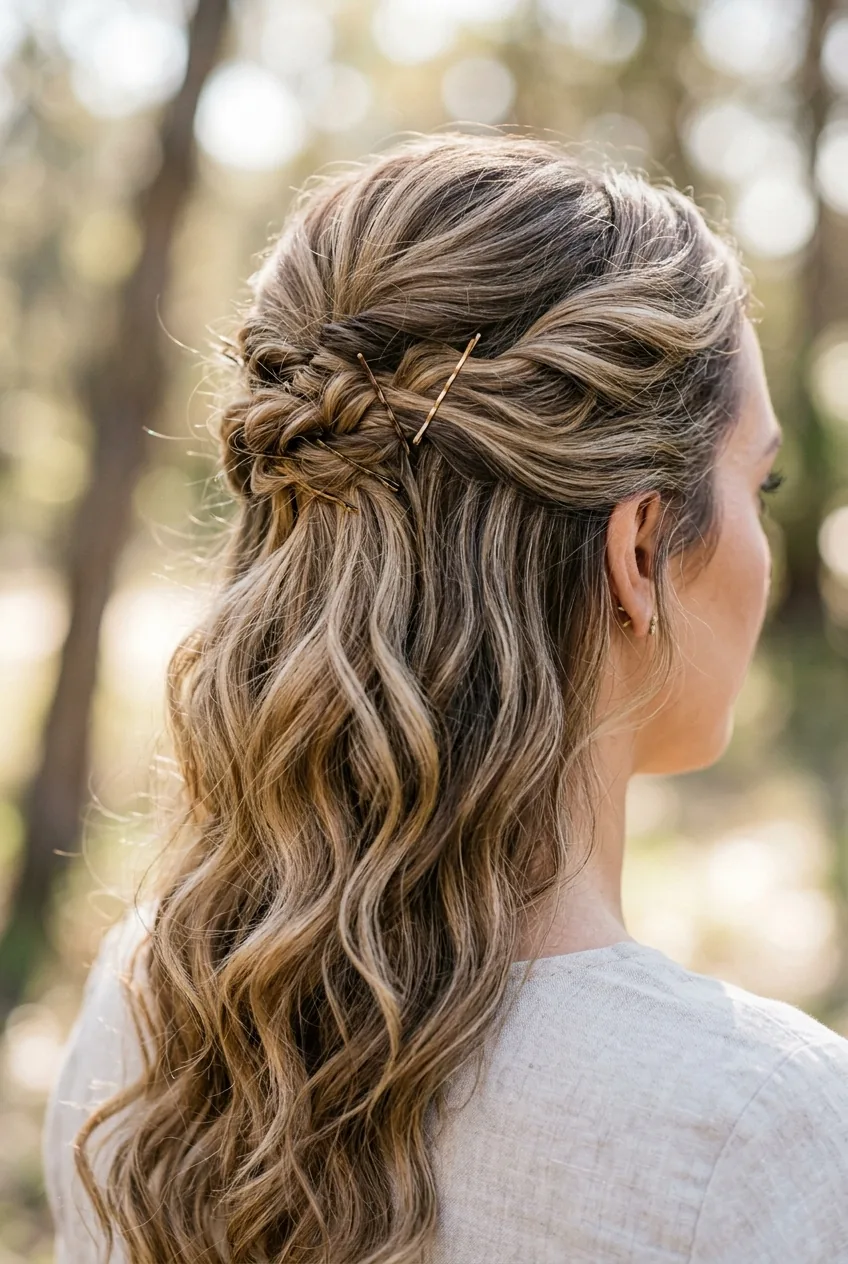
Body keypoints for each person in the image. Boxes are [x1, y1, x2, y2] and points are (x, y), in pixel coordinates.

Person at [44, 133, 848, 1264]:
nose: (765, 543)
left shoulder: (146, 1013)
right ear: (637, 549)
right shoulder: (761, 1135)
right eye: (754, 482)